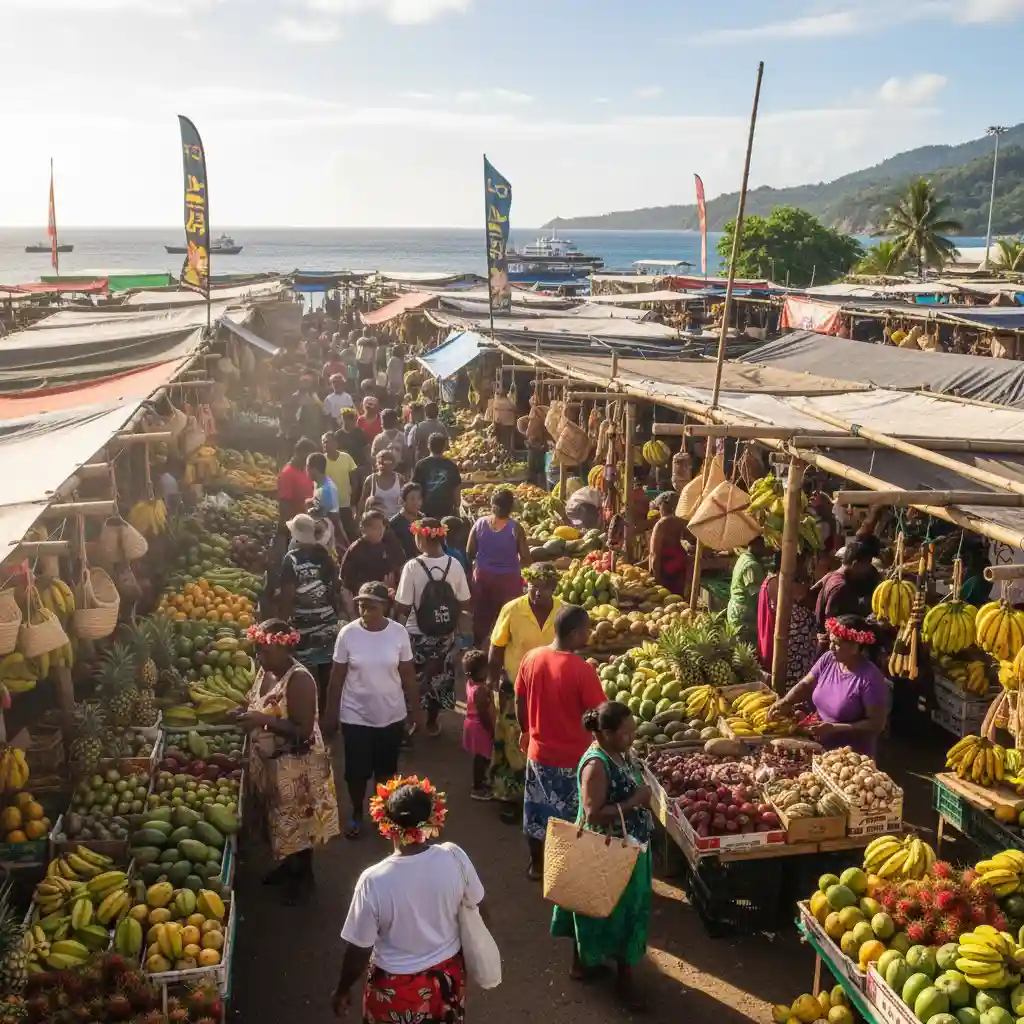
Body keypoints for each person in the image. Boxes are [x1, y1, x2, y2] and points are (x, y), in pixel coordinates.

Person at [332, 778, 484, 1023]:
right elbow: (480, 910)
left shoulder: (373, 881)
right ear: (432, 817)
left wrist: (342, 989)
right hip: (447, 980)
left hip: (394, 991)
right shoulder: (455, 858)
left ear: (385, 822)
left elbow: (360, 948)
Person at [551, 701, 653, 1011]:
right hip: (610, 850)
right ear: (605, 734)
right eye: (626, 733)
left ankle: (583, 964)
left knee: (592, 903)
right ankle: (624, 984)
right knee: (620, 911)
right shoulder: (596, 765)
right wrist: (635, 801)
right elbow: (594, 812)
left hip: (626, 842)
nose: (631, 737)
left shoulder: (617, 752)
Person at [237, 619, 340, 904]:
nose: (259, 656)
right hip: (273, 764)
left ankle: (304, 880)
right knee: (279, 821)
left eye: (265, 651)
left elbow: (302, 730)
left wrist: (262, 720)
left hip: (298, 769)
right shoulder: (266, 671)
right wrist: (247, 711)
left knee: (300, 826)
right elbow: (262, 703)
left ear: (285, 649)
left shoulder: (300, 680)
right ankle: (287, 867)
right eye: (258, 650)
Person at [324, 583, 422, 839]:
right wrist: (330, 716)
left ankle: (384, 813)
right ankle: (357, 813)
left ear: (385, 607)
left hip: (391, 715)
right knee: (355, 773)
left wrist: (416, 712)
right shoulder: (348, 634)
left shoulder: (398, 633)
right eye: (361, 606)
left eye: (371, 606)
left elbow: (408, 675)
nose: (365, 612)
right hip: (356, 715)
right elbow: (336, 679)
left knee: (386, 770)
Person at [516, 604, 606, 881]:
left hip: (538, 753)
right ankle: (566, 873)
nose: (589, 634)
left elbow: (519, 699)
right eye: (588, 629)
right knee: (570, 819)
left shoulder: (532, 658)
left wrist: (525, 730)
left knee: (536, 812)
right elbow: (599, 715)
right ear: (577, 633)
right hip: (572, 759)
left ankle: (536, 865)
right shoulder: (582, 671)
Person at [487, 563, 562, 822]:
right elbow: (497, 646)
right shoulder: (513, 609)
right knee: (511, 741)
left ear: (554, 588)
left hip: (550, 688)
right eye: (534, 586)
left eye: (544, 587)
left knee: (542, 741)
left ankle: (539, 795)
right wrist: (491, 679)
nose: (538, 592)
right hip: (514, 686)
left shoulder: (562, 611)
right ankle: (507, 796)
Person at [393, 519, 473, 736]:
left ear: (420, 538)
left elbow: (404, 606)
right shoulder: (454, 564)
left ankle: (412, 722)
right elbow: (465, 601)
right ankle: (432, 722)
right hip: (445, 633)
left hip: (417, 634)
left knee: (413, 678)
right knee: (441, 678)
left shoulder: (412, 566)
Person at [770, 614, 889, 755]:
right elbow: (806, 684)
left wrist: (834, 728)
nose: (831, 647)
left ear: (855, 647)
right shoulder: (829, 659)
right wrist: (786, 701)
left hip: (849, 756)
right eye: (831, 641)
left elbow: (876, 724)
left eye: (837, 643)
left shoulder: (870, 679)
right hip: (818, 745)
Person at [276, 513, 341, 706]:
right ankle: (327, 711)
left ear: (295, 536)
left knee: (308, 673)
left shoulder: (291, 559)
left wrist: (281, 623)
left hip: (303, 625)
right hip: (327, 621)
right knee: (327, 670)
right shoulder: (325, 555)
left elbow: (287, 596)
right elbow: (335, 588)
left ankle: (312, 715)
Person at [467, 488, 531, 647]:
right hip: (508, 582)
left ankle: (478, 648)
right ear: (511, 508)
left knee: (482, 617)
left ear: (492, 505)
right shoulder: (515, 528)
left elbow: (470, 551)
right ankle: (504, 649)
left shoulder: (480, 524)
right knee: (507, 618)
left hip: (484, 578)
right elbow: (525, 557)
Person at [756, 561, 819, 690]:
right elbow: (804, 594)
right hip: (790, 653)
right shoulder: (780, 582)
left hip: (782, 646)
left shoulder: (770, 581)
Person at [813, 538, 882, 634]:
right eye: (866, 565)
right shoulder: (840, 587)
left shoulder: (831, 576)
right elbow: (830, 622)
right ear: (855, 563)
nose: (867, 570)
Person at [340, 511, 403, 615]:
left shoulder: (387, 546)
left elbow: (396, 568)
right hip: (365, 599)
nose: (380, 531)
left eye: (381, 527)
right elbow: (345, 579)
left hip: (387, 598)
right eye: (375, 528)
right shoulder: (356, 549)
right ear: (363, 529)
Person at [462, 648, 495, 800]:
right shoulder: (480, 690)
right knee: (482, 758)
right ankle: (478, 788)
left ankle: (480, 782)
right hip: (480, 727)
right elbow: (483, 713)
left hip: (472, 724)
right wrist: (491, 729)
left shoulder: (471, 683)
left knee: (479, 757)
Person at [727, 535, 770, 645]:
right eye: (763, 546)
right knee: (745, 648)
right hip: (744, 616)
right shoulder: (751, 565)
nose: (766, 550)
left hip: (736, 611)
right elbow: (755, 592)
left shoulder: (743, 557)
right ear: (756, 546)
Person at [648, 491, 691, 597]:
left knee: (665, 599)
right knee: (677, 599)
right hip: (678, 568)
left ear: (664, 505)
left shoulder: (661, 524)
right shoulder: (682, 521)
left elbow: (654, 554)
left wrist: (656, 579)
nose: (659, 510)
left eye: (659, 507)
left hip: (665, 568)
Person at [413, 433, 462, 520]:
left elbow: (416, 488)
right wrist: (457, 506)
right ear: (444, 447)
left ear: (428, 446)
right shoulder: (451, 465)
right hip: (446, 509)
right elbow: (456, 488)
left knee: (427, 532)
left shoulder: (421, 465)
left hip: (426, 510)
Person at [322, 432, 358, 543]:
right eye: (323, 443)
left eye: (328, 442)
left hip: (345, 504)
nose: (325, 445)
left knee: (350, 534)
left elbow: (354, 480)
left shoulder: (346, 458)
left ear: (336, 443)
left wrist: (353, 502)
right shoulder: (321, 461)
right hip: (329, 507)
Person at [306, 452, 347, 548]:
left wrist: (344, 543)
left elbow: (334, 517)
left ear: (314, 469)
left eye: (307, 468)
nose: (306, 471)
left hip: (326, 538)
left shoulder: (328, 489)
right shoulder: (318, 483)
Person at [277, 438, 317, 526]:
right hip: (296, 524)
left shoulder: (305, 470)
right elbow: (285, 504)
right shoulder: (287, 473)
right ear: (300, 453)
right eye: (309, 457)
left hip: (307, 520)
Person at [359, 448, 405, 519]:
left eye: (389, 461)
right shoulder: (370, 479)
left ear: (394, 463)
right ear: (378, 463)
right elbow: (362, 501)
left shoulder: (400, 479)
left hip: (397, 521)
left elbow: (406, 500)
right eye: (382, 461)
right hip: (377, 522)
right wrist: (359, 517)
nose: (385, 464)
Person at [389, 482, 423, 562]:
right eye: (412, 498)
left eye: (419, 498)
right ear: (403, 501)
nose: (416, 502)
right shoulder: (394, 524)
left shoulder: (424, 520)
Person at [336, 411, 370, 476]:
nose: (346, 422)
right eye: (344, 419)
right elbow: (337, 451)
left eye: (350, 420)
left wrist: (368, 464)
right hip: (345, 467)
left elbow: (366, 448)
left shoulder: (360, 432)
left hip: (360, 466)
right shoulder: (338, 435)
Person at [293, 376, 325, 443]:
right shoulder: (295, 396)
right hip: (300, 429)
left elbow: (323, 409)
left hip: (314, 429)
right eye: (304, 382)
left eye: (307, 383)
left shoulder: (314, 396)